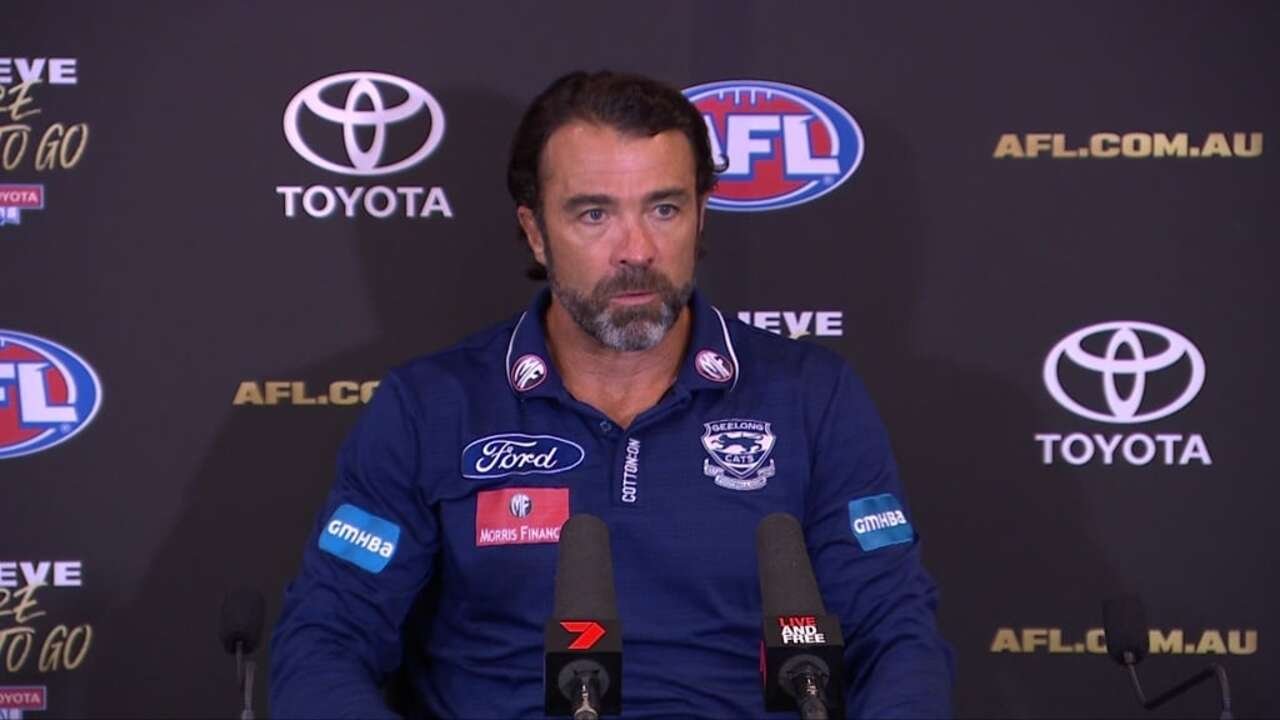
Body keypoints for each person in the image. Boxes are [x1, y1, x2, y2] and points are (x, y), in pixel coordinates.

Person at [270, 70, 953, 719]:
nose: (637, 250)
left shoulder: (811, 397)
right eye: (595, 213)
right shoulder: (429, 407)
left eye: (664, 208)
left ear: (702, 216)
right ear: (536, 231)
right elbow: (327, 638)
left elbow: (894, 632)